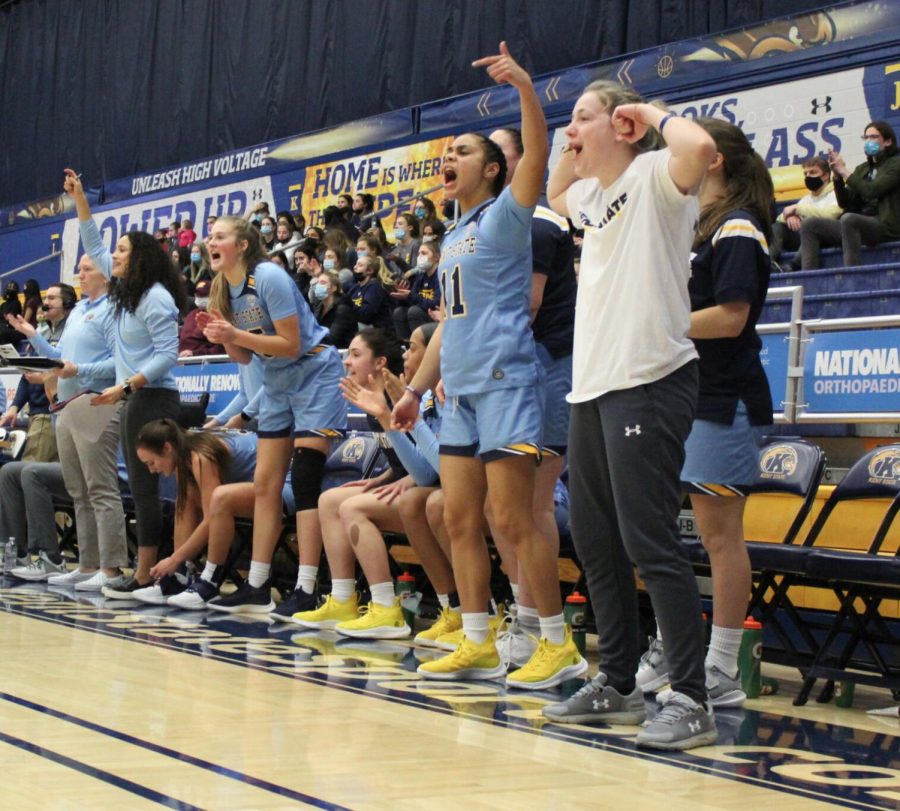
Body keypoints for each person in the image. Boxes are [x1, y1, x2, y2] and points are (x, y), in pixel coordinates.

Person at [392, 43, 585, 690]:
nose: (450, 159)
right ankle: (476, 636)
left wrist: (526, 88)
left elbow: (537, 149)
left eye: (464, 152)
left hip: (507, 380)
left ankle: (556, 643)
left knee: (512, 519)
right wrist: (414, 391)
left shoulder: (509, 214)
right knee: (457, 517)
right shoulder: (452, 235)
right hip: (462, 389)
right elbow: (449, 322)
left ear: (496, 169)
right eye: (447, 154)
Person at [538, 81, 720, 750]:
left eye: (583, 119)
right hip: (592, 389)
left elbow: (699, 144)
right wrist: (572, 138)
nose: (571, 132)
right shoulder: (592, 197)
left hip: (650, 379)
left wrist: (646, 115)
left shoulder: (653, 177)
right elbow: (555, 193)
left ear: (622, 126)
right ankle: (616, 679)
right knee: (594, 539)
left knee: (649, 542)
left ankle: (692, 697)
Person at [636, 119, 774, 710]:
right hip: (686, 396)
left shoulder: (739, 227)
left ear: (712, 160)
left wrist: (657, 326)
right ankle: (673, 642)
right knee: (661, 530)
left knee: (720, 537)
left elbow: (732, 317)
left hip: (725, 398)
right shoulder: (699, 227)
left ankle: (720, 666)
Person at [200, 215, 347, 617]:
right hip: (276, 379)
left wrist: (233, 335)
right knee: (265, 483)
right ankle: (258, 584)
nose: (210, 241)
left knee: (303, 478)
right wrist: (222, 334)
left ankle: (307, 586)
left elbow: (291, 342)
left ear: (243, 244)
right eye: (209, 236)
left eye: (219, 236)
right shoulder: (221, 289)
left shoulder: (268, 276)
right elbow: (244, 357)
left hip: (314, 371)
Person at [64, 168, 185, 598]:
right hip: (133, 397)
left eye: (121, 250)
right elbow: (93, 242)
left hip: (152, 398)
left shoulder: (156, 298)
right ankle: (144, 570)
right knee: (138, 486)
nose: (111, 255)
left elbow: (168, 356)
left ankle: (145, 573)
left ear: (140, 258)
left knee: (144, 487)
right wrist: (80, 198)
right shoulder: (125, 292)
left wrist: (127, 387)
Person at [487, 125, 577, 669]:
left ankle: (546, 631)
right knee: (499, 508)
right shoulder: (488, 228)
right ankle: (523, 618)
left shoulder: (540, 224)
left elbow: (526, 306)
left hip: (546, 367)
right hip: (508, 373)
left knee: (531, 504)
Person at [293, 324, 442, 637]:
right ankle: (344, 597)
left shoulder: (412, 396)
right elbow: (405, 458)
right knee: (330, 499)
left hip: (434, 491)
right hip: (421, 483)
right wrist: (387, 476)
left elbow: (430, 467)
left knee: (352, 508)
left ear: (379, 364)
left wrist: (410, 479)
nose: (347, 361)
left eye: (356, 354)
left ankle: (387, 607)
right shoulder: (376, 399)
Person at [6, 254, 128, 592]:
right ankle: (88, 565)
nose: (81, 273)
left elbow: (115, 364)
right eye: (80, 269)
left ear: (106, 273)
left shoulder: (114, 310)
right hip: (66, 406)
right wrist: (34, 336)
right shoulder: (78, 312)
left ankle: (112, 568)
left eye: (88, 268)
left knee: (100, 488)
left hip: (97, 403)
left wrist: (78, 372)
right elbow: (62, 362)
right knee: (78, 490)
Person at [132, 419, 257, 604]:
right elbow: (187, 508)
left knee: (219, 502)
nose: (152, 470)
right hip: (245, 483)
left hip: (277, 484)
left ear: (167, 448)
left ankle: (210, 581)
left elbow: (210, 521)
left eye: (152, 462)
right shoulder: (182, 451)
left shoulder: (201, 456)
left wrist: (173, 558)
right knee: (185, 498)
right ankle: (180, 575)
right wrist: (177, 562)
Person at [800, 120, 900, 268]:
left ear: (888, 141)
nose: (868, 141)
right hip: (858, 225)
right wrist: (837, 177)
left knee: (849, 219)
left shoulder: (895, 164)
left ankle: (851, 273)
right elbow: (845, 202)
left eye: (873, 137)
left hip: (886, 225)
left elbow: (872, 191)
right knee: (810, 224)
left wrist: (844, 171)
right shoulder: (862, 168)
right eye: (865, 138)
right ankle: (806, 281)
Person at [2, 282, 75, 463]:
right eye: (45, 298)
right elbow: (27, 374)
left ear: (66, 303)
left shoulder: (72, 334)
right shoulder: (40, 331)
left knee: (28, 471)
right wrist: (14, 407)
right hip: (36, 413)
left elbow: (72, 370)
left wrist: (44, 379)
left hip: (51, 412)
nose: (46, 302)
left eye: (51, 298)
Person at [770, 156, 840, 269]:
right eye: (805, 174)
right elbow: (780, 218)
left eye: (812, 172)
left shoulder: (837, 193)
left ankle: (793, 266)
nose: (808, 177)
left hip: (825, 236)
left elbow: (830, 214)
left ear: (826, 175)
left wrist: (798, 209)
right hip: (802, 236)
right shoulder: (806, 199)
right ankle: (769, 263)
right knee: (777, 227)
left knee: (809, 227)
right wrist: (790, 217)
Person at [391, 241, 442, 339]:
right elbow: (413, 299)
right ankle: (404, 346)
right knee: (399, 311)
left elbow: (436, 304)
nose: (419, 257)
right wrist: (403, 298)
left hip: (435, 316)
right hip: (423, 313)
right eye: (419, 254)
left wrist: (410, 296)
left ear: (436, 257)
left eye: (424, 253)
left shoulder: (440, 275)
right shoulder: (421, 276)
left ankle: (420, 347)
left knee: (414, 311)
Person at [348, 254, 395, 331]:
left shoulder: (374, 286)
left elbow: (366, 315)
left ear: (369, 270)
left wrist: (349, 307)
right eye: (356, 264)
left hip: (377, 330)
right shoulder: (356, 287)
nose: (354, 267)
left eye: (360, 265)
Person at [311, 269, 356, 349]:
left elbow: (333, 339)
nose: (318, 286)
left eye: (322, 283)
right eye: (318, 283)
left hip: (341, 350)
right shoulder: (319, 305)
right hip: (323, 346)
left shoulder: (343, 308)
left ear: (333, 288)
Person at [179, 279, 224, 357]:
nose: (199, 298)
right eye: (197, 295)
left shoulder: (218, 316)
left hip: (204, 364)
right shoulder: (191, 314)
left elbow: (222, 348)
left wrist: (195, 354)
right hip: (182, 362)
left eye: (203, 296)